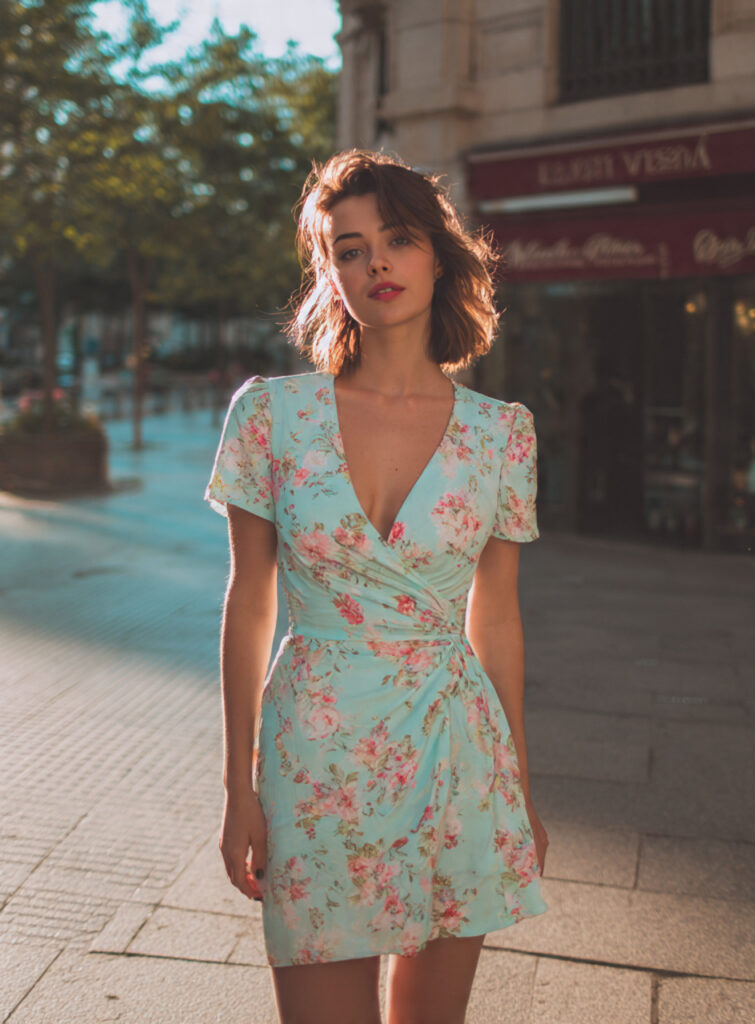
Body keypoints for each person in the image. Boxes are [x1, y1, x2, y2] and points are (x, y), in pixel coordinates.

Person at [204, 150, 548, 1024]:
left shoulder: (503, 434)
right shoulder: (270, 417)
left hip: (455, 754)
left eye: (398, 240)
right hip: (312, 754)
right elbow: (250, 604)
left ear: (440, 254)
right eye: (349, 250)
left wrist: (520, 785)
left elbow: (496, 616)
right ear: (331, 274)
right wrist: (238, 787)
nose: (378, 264)